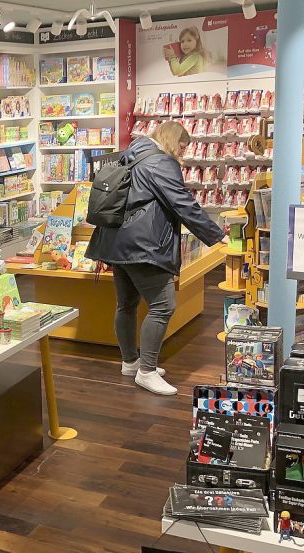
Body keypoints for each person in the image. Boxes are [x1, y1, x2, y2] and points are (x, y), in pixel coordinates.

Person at [86, 121, 226, 395]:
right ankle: (146, 371)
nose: (183, 154)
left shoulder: (133, 152)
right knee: (163, 306)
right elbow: (182, 202)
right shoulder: (161, 163)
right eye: (183, 147)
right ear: (174, 141)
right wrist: (215, 234)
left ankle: (130, 361)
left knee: (126, 304)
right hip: (142, 244)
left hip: (115, 241)